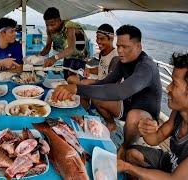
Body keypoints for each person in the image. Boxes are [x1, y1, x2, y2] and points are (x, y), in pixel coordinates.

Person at [51, 25, 162, 158]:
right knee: (97, 96)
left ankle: (125, 147)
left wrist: (77, 88)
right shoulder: (123, 62)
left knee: (133, 116)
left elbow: (121, 91)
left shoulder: (146, 67)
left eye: (125, 47)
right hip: (128, 105)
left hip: (146, 117)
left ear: (138, 46)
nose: (120, 51)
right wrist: (80, 86)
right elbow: (104, 83)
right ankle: (111, 125)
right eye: (118, 46)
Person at [118, 53, 188, 179]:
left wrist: (127, 167)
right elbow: (155, 139)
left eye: (174, 83)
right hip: (170, 163)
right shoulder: (178, 114)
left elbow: (173, 179)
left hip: (176, 176)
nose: (168, 87)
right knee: (131, 154)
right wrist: (146, 130)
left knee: (129, 165)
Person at [68, 24, 119, 109]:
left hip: (106, 88)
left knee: (84, 84)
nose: (98, 41)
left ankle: (86, 107)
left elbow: (113, 83)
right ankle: (83, 100)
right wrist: (89, 70)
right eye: (97, 38)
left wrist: (93, 81)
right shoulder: (102, 52)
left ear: (111, 39)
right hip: (98, 82)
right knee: (71, 78)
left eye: (102, 39)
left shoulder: (115, 57)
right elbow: (102, 68)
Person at [39, 7, 89, 79]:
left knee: (73, 78)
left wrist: (54, 58)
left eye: (52, 24)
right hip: (67, 54)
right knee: (66, 75)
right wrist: (37, 56)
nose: (50, 28)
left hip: (80, 55)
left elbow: (71, 48)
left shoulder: (69, 26)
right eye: (47, 25)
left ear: (60, 20)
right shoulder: (49, 30)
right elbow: (47, 47)